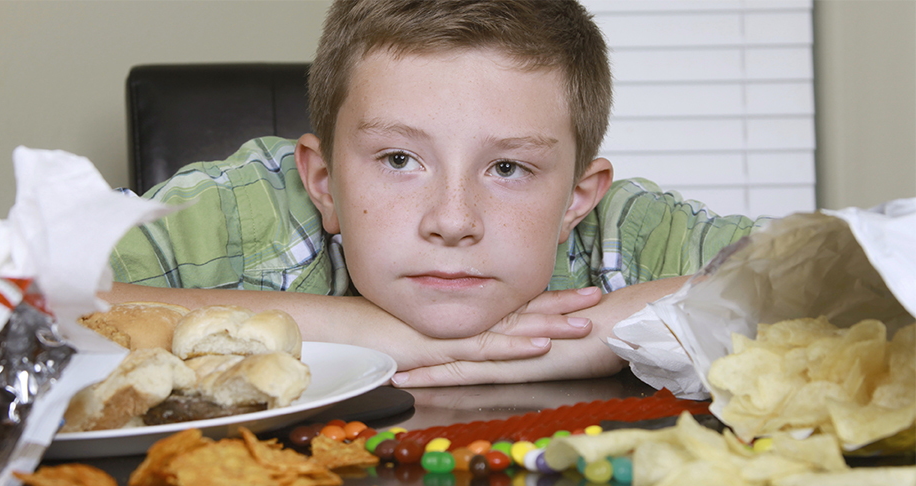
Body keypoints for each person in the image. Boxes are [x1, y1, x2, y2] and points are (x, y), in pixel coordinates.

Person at [105, 0, 761, 387]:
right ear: (323, 183)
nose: (453, 220)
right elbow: (43, 303)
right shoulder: (244, 212)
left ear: (575, 200)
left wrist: (609, 333)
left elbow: (817, 275)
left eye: (508, 168)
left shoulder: (625, 232)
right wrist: (349, 333)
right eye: (399, 159)